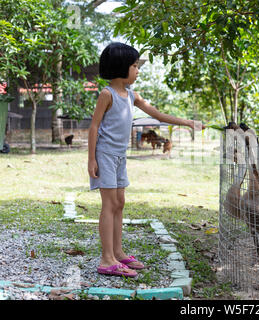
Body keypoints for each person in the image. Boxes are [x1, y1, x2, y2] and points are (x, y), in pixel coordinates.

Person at [88, 42, 205, 277]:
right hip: (106, 156)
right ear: (122, 67)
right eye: (134, 65)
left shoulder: (132, 95)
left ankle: (118, 253)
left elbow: (158, 115)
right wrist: (91, 159)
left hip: (120, 156)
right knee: (109, 205)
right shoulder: (106, 94)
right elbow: (94, 126)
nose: (138, 70)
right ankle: (106, 259)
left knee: (119, 203)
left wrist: (189, 122)